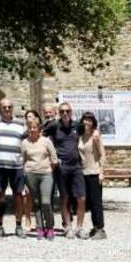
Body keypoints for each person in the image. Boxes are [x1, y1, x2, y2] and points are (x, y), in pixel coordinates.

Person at [43, 102, 88, 239]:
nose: (64, 113)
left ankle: (79, 227)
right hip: (62, 167)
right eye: (62, 111)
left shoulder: (77, 126)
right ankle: (68, 227)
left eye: (67, 111)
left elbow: (90, 134)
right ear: (58, 112)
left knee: (81, 198)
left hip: (76, 166)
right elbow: (38, 134)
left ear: (71, 112)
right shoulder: (54, 126)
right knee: (64, 198)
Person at [0, 98, 26, 237]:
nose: (7, 109)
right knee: (0, 196)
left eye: (9, 107)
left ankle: (18, 225)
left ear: (13, 108)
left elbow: (25, 144)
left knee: (18, 195)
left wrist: (24, 163)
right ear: (0, 108)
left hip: (17, 165)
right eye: (4, 107)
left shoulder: (21, 124)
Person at [21, 112, 59, 240]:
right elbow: (22, 160)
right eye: (30, 127)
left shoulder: (46, 141)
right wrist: (24, 177)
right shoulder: (25, 143)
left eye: (35, 127)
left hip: (45, 174)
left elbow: (54, 159)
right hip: (30, 174)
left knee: (46, 202)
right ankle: (39, 228)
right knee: (36, 202)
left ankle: (49, 227)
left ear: (39, 128)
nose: (32, 130)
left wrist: (48, 170)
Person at [79, 111, 107, 239]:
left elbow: (102, 154)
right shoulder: (80, 136)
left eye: (89, 120)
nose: (87, 122)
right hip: (83, 172)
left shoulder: (95, 136)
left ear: (93, 122)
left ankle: (101, 229)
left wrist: (101, 172)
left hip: (94, 172)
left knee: (96, 202)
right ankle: (94, 227)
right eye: (85, 119)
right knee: (88, 202)